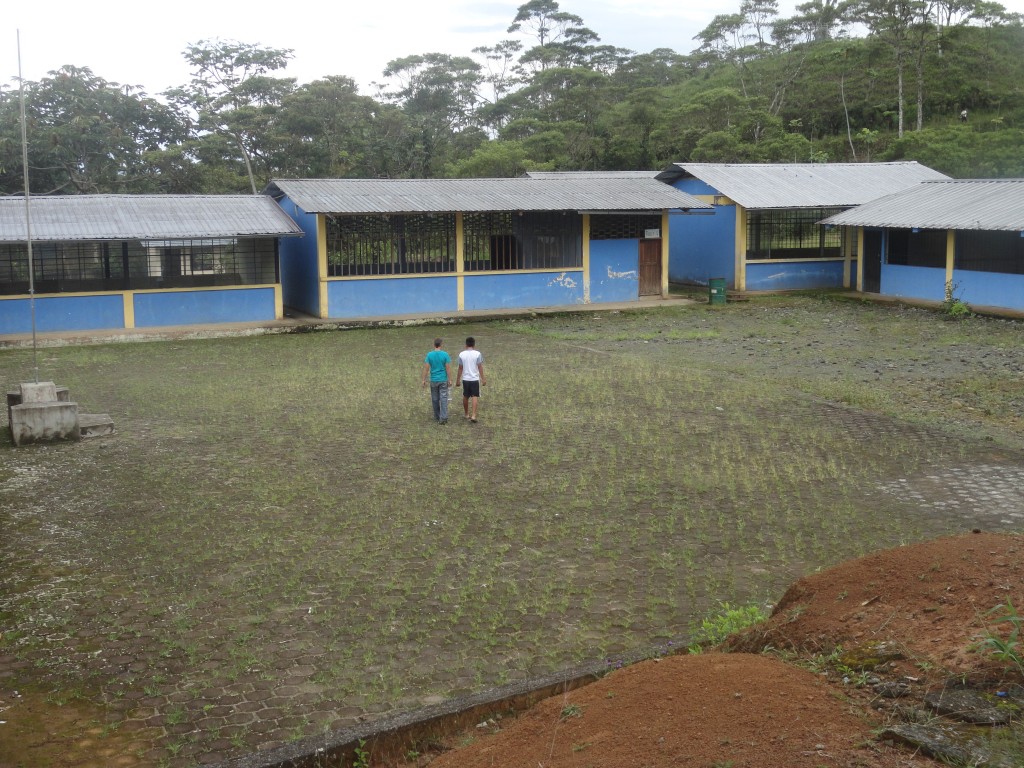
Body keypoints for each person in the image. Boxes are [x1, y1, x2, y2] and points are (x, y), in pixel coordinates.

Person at [455, 336, 486, 423]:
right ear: (474, 345)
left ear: (466, 345)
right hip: (474, 379)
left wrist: (458, 380)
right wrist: (483, 378)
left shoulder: (461, 354)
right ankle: (473, 415)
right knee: (474, 396)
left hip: (465, 379)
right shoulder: (477, 354)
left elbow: (460, 368)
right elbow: (480, 367)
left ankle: (466, 414)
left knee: (465, 396)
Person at [422, 337, 452, 424]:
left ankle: (437, 416)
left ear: (434, 345)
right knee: (443, 398)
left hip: (434, 380)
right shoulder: (445, 354)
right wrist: (450, 379)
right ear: (441, 345)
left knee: (435, 399)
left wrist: (423, 380)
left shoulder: (429, 355)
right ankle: (444, 417)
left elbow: (426, 368)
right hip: (443, 379)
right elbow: (448, 368)